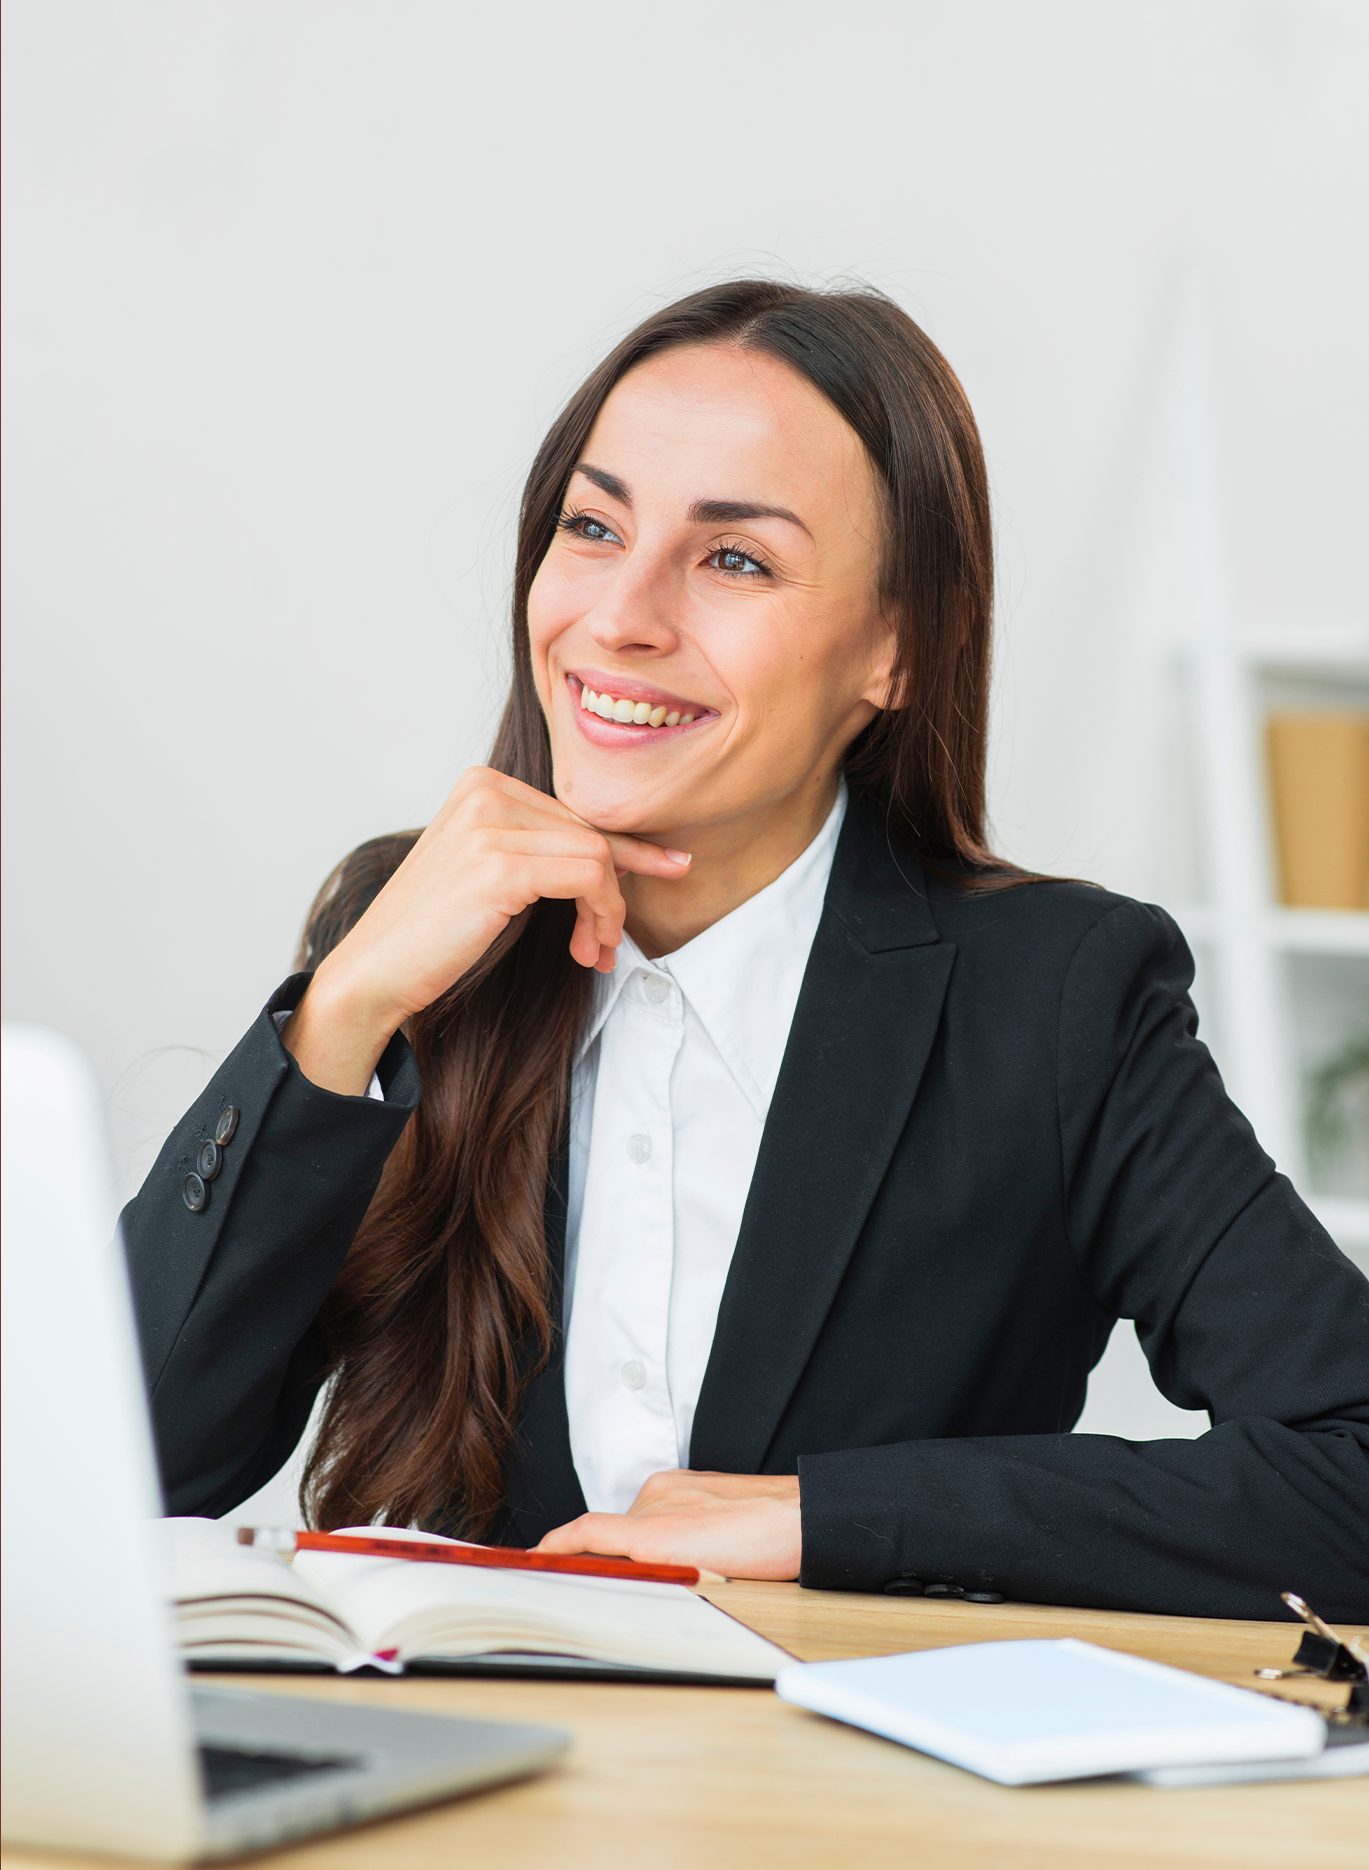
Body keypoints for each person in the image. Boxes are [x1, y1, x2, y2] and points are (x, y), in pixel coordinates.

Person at [123, 280, 1369, 1621]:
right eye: (593, 527)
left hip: (849, 1811)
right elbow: (130, 1461)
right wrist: (345, 1005)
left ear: (893, 649)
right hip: (485, 1794)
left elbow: (1349, 1471)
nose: (622, 616)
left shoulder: (1057, 998)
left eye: (734, 559)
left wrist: (819, 1517)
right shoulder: (414, 950)